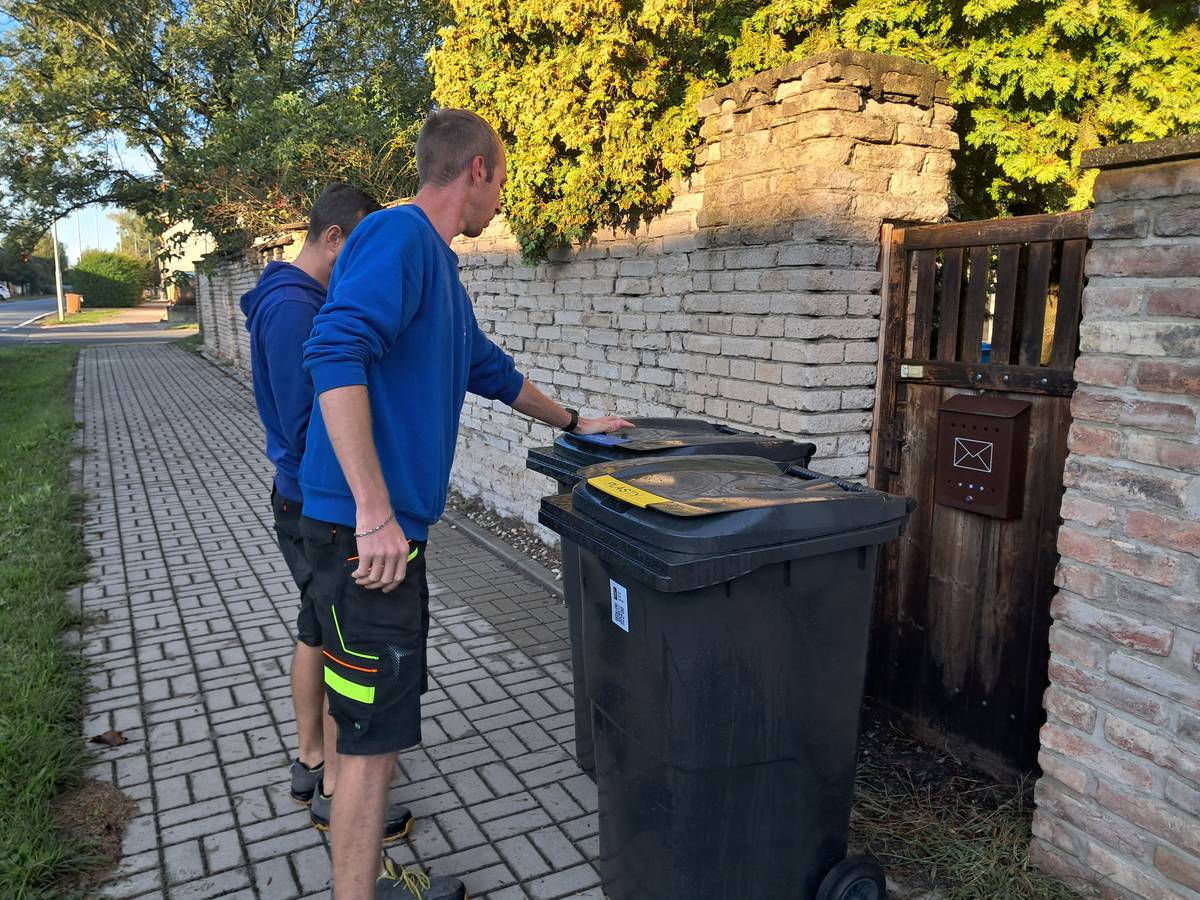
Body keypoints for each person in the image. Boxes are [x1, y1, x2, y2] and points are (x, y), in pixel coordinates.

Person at [299, 109, 633, 900]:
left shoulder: (438, 270)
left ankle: (359, 883)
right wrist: (374, 512)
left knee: (369, 725)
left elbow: (487, 368)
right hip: (365, 538)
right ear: (476, 170)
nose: (502, 200)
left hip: (379, 535)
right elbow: (334, 349)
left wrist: (576, 421)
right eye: (502, 180)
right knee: (373, 739)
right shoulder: (398, 236)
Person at [241, 184, 416, 843]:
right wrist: (366, 495)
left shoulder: (293, 298)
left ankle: (311, 759)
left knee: (316, 626)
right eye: (360, 244)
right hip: (314, 502)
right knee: (343, 638)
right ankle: (338, 791)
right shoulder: (295, 308)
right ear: (335, 237)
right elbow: (305, 419)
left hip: (302, 497)